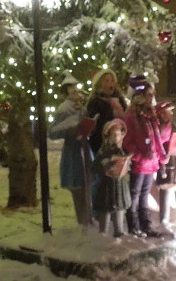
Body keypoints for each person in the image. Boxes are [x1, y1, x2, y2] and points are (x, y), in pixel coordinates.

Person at [122, 81, 169, 238]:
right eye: (148, 95)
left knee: (144, 194)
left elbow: (157, 138)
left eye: (153, 95)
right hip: (139, 164)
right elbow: (127, 142)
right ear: (139, 97)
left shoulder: (150, 115)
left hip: (151, 163)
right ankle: (133, 226)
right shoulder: (131, 116)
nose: (151, 98)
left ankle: (145, 225)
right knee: (135, 194)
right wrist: (140, 156)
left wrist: (166, 124)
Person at [47, 73, 93, 228]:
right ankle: (82, 220)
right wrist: (71, 129)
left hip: (84, 148)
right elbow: (53, 132)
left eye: (76, 88)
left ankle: (88, 217)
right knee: (77, 186)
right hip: (73, 150)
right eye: (71, 89)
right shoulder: (63, 109)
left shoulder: (81, 106)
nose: (75, 92)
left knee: (88, 183)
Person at [93, 118, 131, 238]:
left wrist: (126, 164)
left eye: (119, 135)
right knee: (106, 209)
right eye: (114, 135)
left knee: (119, 208)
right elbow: (96, 166)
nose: (117, 137)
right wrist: (107, 165)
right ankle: (103, 233)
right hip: (107, 185)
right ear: (108, 136)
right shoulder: (104, 150)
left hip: (119, 184)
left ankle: (118, 231)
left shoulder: (120, 150)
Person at [85, 69, 128, 155]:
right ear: (99, 84)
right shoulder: (96, 102)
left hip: (120, 144)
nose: (110, 83)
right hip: (102, 147)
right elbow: (93, 126)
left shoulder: (120, 101)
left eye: (112, 81)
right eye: (106, 81)